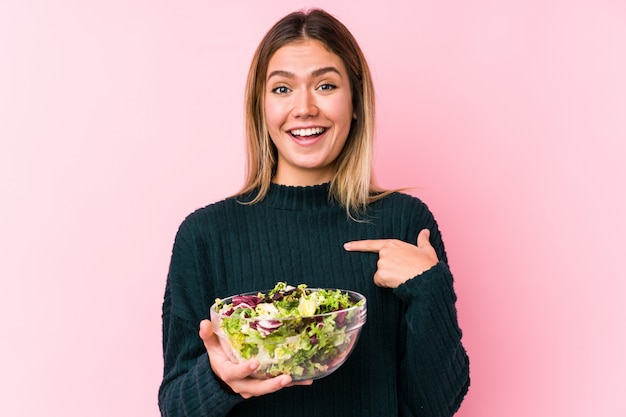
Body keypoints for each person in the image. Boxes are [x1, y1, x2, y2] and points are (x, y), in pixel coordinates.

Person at [158, 8, 470, 417]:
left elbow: (436, 406)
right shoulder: (205, 235)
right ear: (261, 108)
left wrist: (429, 287)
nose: (304, 108)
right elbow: (175, 406)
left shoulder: (404, 223)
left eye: (325, 85)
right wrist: (218, 381)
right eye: (282, 89)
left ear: (355, 102)